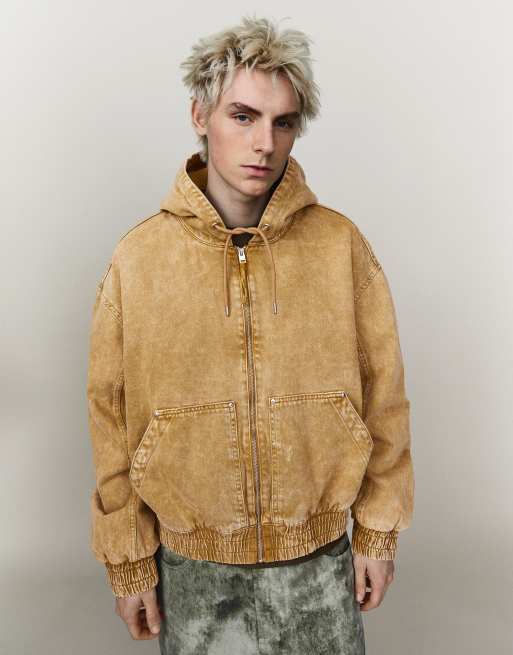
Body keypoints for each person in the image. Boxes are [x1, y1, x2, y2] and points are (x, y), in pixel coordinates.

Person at [86, 14, 414, 654]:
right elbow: (110, 417)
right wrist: (129, 562)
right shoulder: (139, 260)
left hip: (318, 563)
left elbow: (386, 397)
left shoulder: (339, 246)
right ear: (200, 114)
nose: (264, 142)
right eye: (243, 116)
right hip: (191, 569)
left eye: (283, 122)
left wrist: (377, 532)